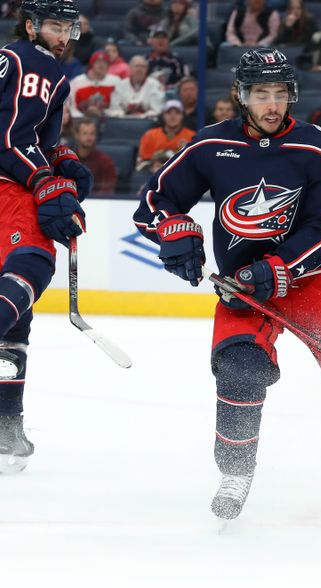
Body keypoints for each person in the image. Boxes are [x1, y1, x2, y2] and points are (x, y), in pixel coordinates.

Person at [132, 47, 321, 520]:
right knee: (240, 370)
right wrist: (174, 233)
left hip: (311, 278)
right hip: (242, 287)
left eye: (279, 94)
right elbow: (154, 205)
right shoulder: (209, 146)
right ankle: (235, 474)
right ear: (242, 96)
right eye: (261, 93)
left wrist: (278, 267)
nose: (271, 105)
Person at [0, 0, 91, 474]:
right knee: (32, 263)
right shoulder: (35, 63)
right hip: (6, 188)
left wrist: (62, 159)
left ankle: (5, 431)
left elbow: (30, 135)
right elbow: (11, 138)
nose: (62, 33)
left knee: (16, 322)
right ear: (31, 25)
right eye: (53, 24)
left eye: (67, 26)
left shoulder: (14, 57)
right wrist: (44, 180)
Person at [137, 99, 195, 169]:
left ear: (183, 116)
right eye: (169, 113)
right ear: (163, 116)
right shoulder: (150, 135)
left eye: (177, 113)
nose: (173, 116)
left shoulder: (192, 136)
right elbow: (143, 161)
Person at [107, 55, 164, 120]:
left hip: (146, 121)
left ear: (147, 69)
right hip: (124, 121)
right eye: (137, 66)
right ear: (130, 68)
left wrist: (142, 116)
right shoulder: (120, 85)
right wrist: (125, 116)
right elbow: (115, 108)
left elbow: (157, 110)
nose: (139, 69)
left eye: (143, 66)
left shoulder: (154, 84)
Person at [69, 49, 120, 118]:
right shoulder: (76, 82)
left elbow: (117, 108)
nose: (101, 65)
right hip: (80, 120)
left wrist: (102, 114)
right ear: (92, 64)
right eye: (98, 62)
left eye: (105, 62)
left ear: (108, 66)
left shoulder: (115, 81)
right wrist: (83, 117)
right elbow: (71, 108)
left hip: (106, 120)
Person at [73, 119, 116, 193]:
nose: (89, 138)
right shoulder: (67, 160)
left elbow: (107, 191)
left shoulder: (105, 161)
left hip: (96, 202)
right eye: (85, 133)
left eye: (92, 134)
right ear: (77, 135)